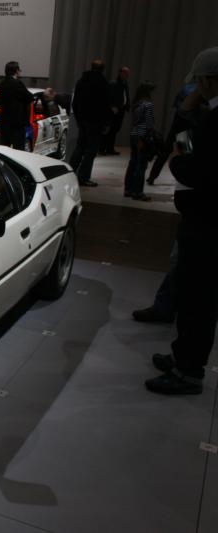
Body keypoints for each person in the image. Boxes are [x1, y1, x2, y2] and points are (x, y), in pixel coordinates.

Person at [145, 47, 218, 395]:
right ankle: (182, 357)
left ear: (208, 80)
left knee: (198, 301)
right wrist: (187, 115)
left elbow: (196, 168)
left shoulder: (216, 120)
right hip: (203, 219)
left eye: (199, 81)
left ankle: (188, 372)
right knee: (191, 295)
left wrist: (176, 161)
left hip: (208, 223)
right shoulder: (210, 115)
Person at [69, 60, 111, 187]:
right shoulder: (103, 83)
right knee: (91, 150)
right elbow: (106, 105)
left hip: (83, 120)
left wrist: (79, 119)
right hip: (96, 122)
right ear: (102, 69)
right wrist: (106, 122)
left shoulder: (81, 81)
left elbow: (75, 103)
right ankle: (83, 177)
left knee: (80, 147)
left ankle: (70, 173)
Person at [147, 83, 197, 184]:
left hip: (176, 126)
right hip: (184, 128)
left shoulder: (185, 90)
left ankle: (152, 176)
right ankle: (182, 179)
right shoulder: (195, 93)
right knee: (184, 155)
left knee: (165, 153)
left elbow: (176, 107)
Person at [123, 81, 156, 201]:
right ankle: (138, 192)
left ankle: (128, 189)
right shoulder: (148, 105)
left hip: (134, 135)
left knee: (133, 163)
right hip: (143, 136)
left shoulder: (136, 104)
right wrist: (150, 136)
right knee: (141, 165)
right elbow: (149, 123)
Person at [0, 61, 33, 150]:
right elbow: (29, 97)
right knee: (18, 149)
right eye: (19, 69)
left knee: (4, 149)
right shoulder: (17, 83)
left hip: (4, 122)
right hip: (16, 123)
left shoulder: (2, 84)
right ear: (16, 71)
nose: (20, 71)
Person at [101, 66, 130, 155]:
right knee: (108, 130)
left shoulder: (125, 84)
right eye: (125, 73)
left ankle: (110, 148)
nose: (127, 75)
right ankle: (102, 149)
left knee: (115, 130)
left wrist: (127, 105)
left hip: (121, 110)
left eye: (128, 73)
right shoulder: (113, 83)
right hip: (112, 110)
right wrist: (112, 106)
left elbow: (125, 96)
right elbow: (108, 96)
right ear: (120, 73)